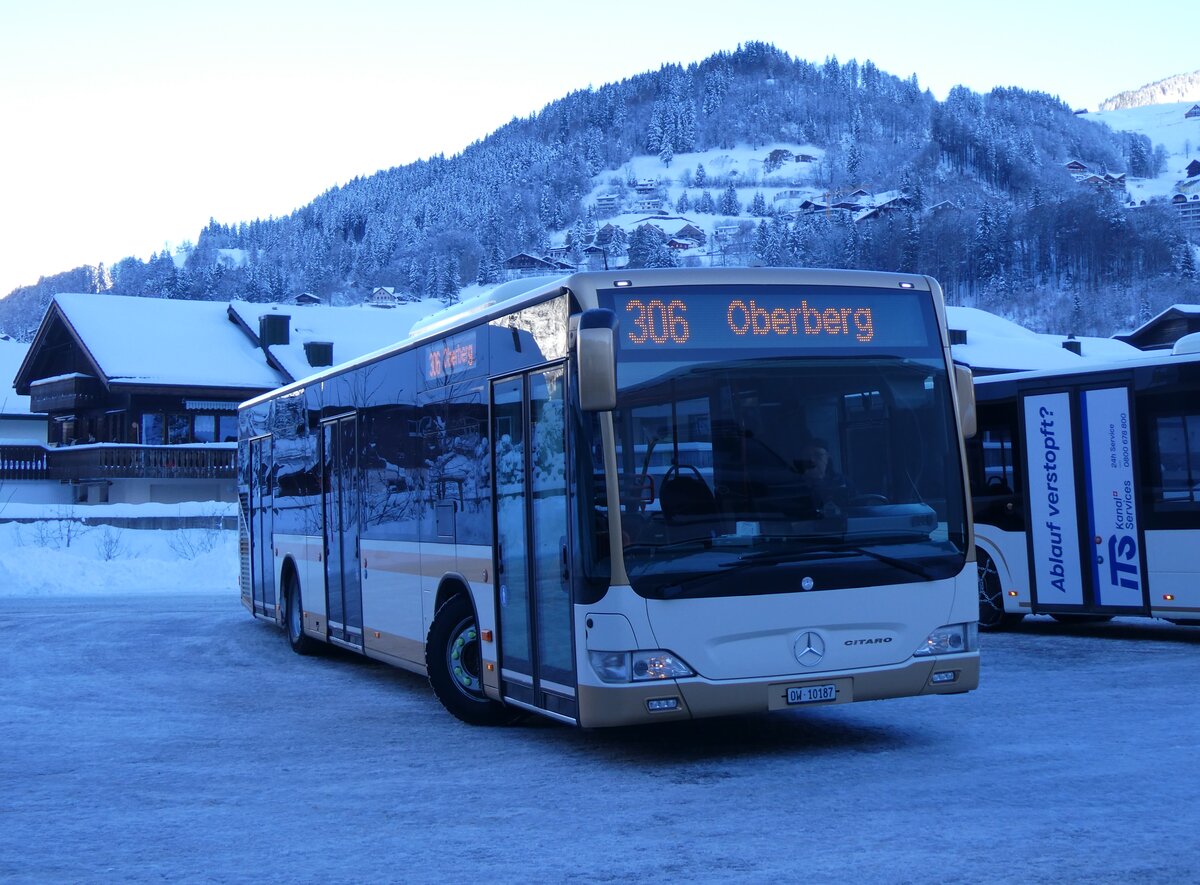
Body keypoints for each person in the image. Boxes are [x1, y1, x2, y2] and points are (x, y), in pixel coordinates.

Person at [797, 439, 850, 512]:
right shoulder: (794, 485)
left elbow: (856, 509)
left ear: (827, 457)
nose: (812, 460)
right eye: (807, 455)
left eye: (817, 455)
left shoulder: (843, 482)